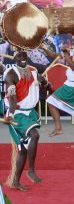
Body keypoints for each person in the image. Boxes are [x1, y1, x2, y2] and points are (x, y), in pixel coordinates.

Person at [3, 50, 50, 191]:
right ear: (14, 58)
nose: (22, 57)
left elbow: (47, 85)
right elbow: (12, 98)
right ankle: (31, 170)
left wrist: (46, 84)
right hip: (16, 113)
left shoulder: (34, 73)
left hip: (29, 113)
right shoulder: (11, 75)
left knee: (23, 149)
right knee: (34, 135)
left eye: (24, 55)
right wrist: (10, 114)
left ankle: (15, 182)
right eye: (19, 55)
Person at [45, 34, 74, 148]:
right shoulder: (72, 51)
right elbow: (55, 56)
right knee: (50, 100)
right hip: (69, 84)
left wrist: (65, 53)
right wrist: (44, 48)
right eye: (73, 40)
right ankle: (58, 128)